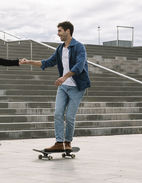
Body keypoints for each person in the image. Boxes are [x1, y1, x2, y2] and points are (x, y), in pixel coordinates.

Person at [20, 21, 91, 152]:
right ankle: (59, 142)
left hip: (77, 87)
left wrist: (64, 77)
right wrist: (28, 62)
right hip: (63, 87)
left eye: (60, 31)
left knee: (69, 117)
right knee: (58, 113)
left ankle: (68, 142)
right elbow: (47, 62)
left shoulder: (79, 47)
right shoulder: (60, 49)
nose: (58, 33)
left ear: (68, 31)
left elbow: (79, 66)